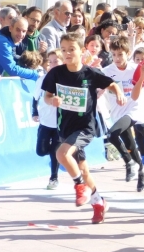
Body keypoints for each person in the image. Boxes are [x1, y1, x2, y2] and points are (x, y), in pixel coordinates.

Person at [41, 32, 127, 224]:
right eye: (64, 50)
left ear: (82, 51)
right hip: (66, 128)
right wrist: (52, 100)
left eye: (72, 49)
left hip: (85, 127)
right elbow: (46, 96)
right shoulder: (56, 73)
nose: (67, 53)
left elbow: (111, 83)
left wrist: (119, 93)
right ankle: (99, 202)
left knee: (62, 154)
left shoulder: (90, 73)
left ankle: (79, 186)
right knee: (83, 169)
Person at [102, 37, 144, 190]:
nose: (117, 58)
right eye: (114, 54)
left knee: (112, 134)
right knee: (130, 144)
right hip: (117, 112)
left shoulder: (136, 68)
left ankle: (129, 162)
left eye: (120, 54)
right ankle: (141, 168)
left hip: (134, 109)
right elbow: (99, 88)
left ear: (128, 54)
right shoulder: (107, 71)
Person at [33, 49, 64, 190]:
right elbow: (35, 97)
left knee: (55, 151)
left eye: (56, 61)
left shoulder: (66, 79)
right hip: (45, 121)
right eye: (50, 62)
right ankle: (53, 152)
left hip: (60, 123)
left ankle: (54, 177)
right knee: (41, 151)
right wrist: (34, 112)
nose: (52, 64)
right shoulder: (42, 79)